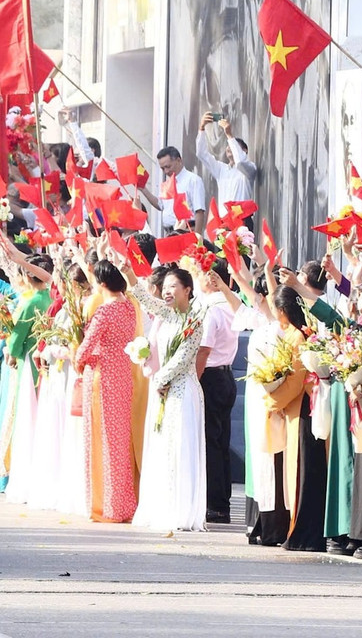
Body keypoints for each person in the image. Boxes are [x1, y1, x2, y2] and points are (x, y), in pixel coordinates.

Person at [129, 267, 207, 532]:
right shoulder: (167, 314)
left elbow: (184, 358)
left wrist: (162, 379)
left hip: (183, 391)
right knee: (162, 446)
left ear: (188, 290)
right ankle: (161, 505)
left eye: (174, 286)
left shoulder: (195, 320)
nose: (167, 291)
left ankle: (181, 509)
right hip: (163, 390)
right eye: (166, 286)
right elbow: (145, 299)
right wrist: (129, 274)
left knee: (180, 447)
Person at [75, 259, 139, 523]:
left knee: (101, 440)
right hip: (124, 374)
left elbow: (85, 348)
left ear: (102, 284)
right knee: (120, 442)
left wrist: (77, 360)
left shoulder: (104, 312)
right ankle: (123, 505)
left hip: (102, 376)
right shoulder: (129, 308)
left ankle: (105, 506)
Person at [196, 261, 241, 524]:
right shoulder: (231, 306)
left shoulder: (212, 310)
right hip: (225, 375)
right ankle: (220, 502)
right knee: (220, 442)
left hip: (210, 377)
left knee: (210, 443)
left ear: (212, 279)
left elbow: (204, 349)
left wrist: (195, 377)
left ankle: (214, 503)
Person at [195, 112, 257, 207]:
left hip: (241, 220)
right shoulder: (221, 169)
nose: (229, 147)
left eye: (232, 145)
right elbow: (201, 154)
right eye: (228, 146)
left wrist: (229, 135)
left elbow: (240, 162)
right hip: (224, 220)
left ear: (244, 150)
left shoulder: (249, 169)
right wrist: (201, 128)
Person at [150, 146, 207, 232]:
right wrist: (143, 189)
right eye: (162, 168)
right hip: (169, 232)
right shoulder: (167, 184)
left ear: (178, 160)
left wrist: (197, 237)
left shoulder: (193, 180)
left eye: (168, 166)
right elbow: (160, 205)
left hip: (187, 230)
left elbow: (199, 211)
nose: (166, 171)